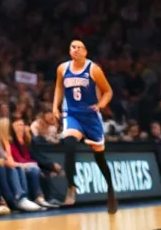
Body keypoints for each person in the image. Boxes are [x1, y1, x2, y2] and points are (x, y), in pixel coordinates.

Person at [54, 40, 117, 211]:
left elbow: (108, 91)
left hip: (90, 117)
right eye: (72, 47)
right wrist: (55, 106)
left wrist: (101, 105)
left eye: (79, 47)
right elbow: (59, 87)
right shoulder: (62, 68)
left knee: (100, 158)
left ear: (85, 52)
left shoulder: (93, 69)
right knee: (69, 143)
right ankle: (71, 187)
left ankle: (110, 188)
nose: (75, 49)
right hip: (72, 114)